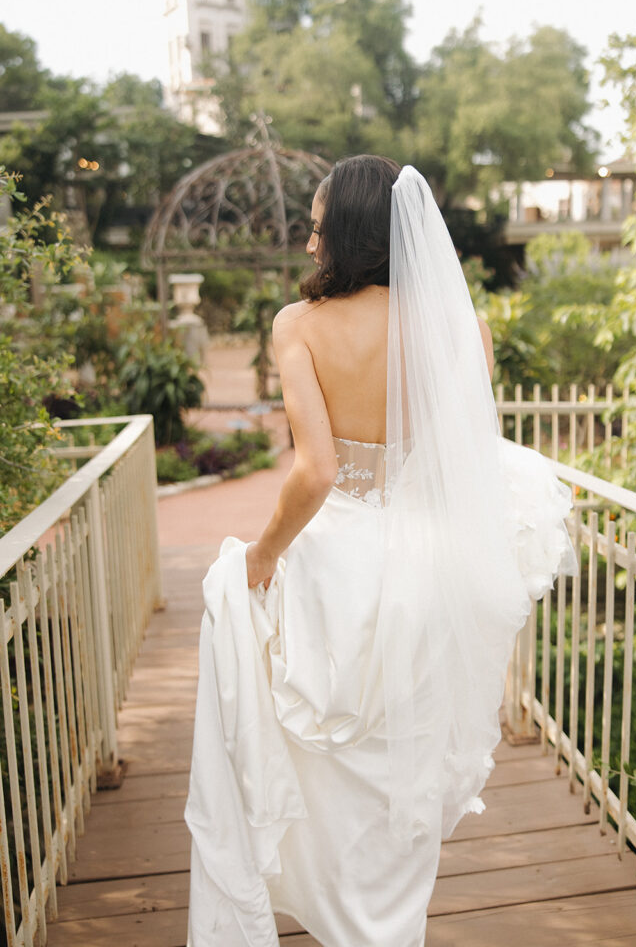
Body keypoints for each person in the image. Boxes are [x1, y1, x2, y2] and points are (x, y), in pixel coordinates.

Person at [184, 156, 577, 947]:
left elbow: (318, 470)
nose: (306, 245)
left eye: (317, 228)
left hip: (338, 572)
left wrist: (261, 554)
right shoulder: (461, 328)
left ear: (349, 235)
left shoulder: (298, 326)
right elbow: (457, 455)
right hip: (430, 567)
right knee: (407, 765)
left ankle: (342, 919)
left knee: (332, 773)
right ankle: (392, 929)